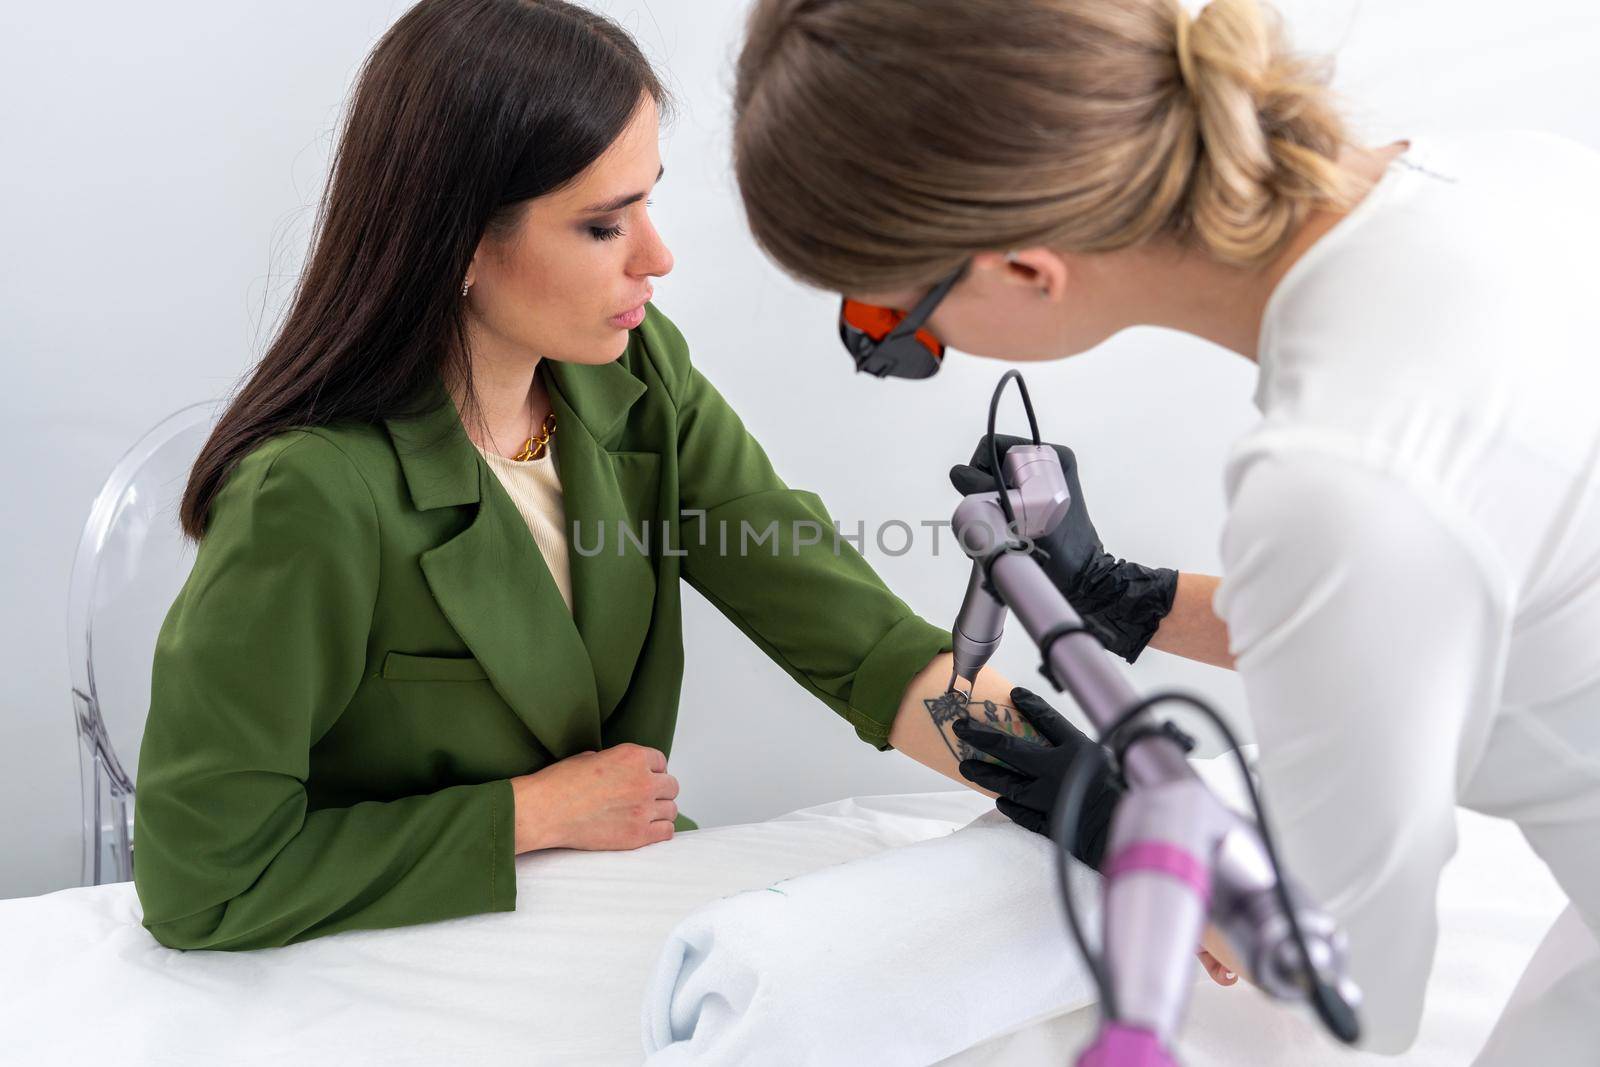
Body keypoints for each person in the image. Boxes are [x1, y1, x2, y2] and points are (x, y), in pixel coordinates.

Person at [731, 0, 1600, 1060]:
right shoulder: (1517, 175)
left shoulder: (1339, 474)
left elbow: (1352, 984)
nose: (917, 357)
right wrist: (1115, 590)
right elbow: (1437, 601)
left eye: (895, 328)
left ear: (1021, 266)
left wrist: (1126, 827)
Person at [132, 0, 1060, 953]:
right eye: (604, 225)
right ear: (458, 245)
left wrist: (1094, 799)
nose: (658, 258)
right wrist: (529, 811)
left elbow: (861, 642)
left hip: (609, 911)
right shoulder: (312, 492)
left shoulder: (639, 374)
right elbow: (203, 881)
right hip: (394, 952)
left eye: (648, 201)